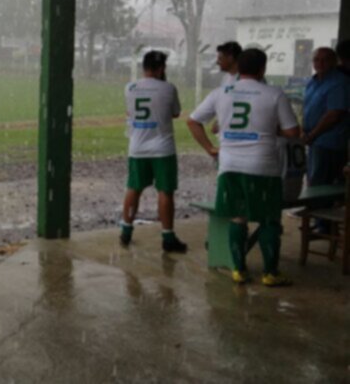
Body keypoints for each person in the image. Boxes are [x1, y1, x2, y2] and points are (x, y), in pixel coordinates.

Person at [187, 49, 300, 286]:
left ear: (238, 68)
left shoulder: (221, 93)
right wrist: (271, 129)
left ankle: (239, 269)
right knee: (270, 219)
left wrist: (209, 148)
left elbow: (192, 120)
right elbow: (292, 132)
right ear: (262, 69)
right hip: (263, 166)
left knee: (238, 218)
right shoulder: (273, 94)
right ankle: (270, 273)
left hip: (230, 166)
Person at [120, 50, 187, 253]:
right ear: (161, 69)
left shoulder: (130, 87)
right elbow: (175, 113)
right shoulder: (168, 88)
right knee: (165, 191)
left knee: (134, 188)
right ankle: (167, 236)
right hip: (162, 148)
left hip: (137, 147)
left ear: (144, 67)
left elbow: (129, 112)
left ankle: (126, 230)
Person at [302, 47, 348, 186]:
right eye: (316, 60)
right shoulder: (313, 81)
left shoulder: (339, 82)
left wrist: (312, 135)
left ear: (334, 62)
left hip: (327, 142)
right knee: (313, 181)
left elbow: (333, 115)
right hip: (314, 140)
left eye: (325, 60)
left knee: (319, 185)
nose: (320, 63)